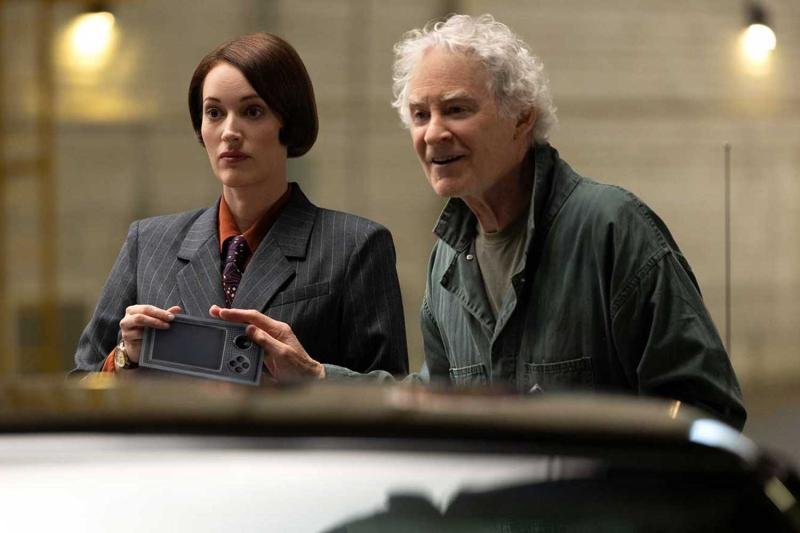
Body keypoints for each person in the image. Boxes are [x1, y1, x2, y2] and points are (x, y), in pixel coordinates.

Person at [389, 14, 746, 428]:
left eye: (456, 109)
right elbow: (436, 405)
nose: (433, 133)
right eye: (420, 115)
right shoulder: (446, 261)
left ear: (522, 118)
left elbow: (707, 411)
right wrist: (330, 379)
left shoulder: (612, 230)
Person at [72, 33, 408, 380]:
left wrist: (314, 374)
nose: (230, 132)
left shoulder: (355, 246)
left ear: (289, 122)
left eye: (252, 111)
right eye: (214, 113)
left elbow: (391, 394)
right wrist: (125, 356)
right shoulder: (149, 243)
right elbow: (81, 381)